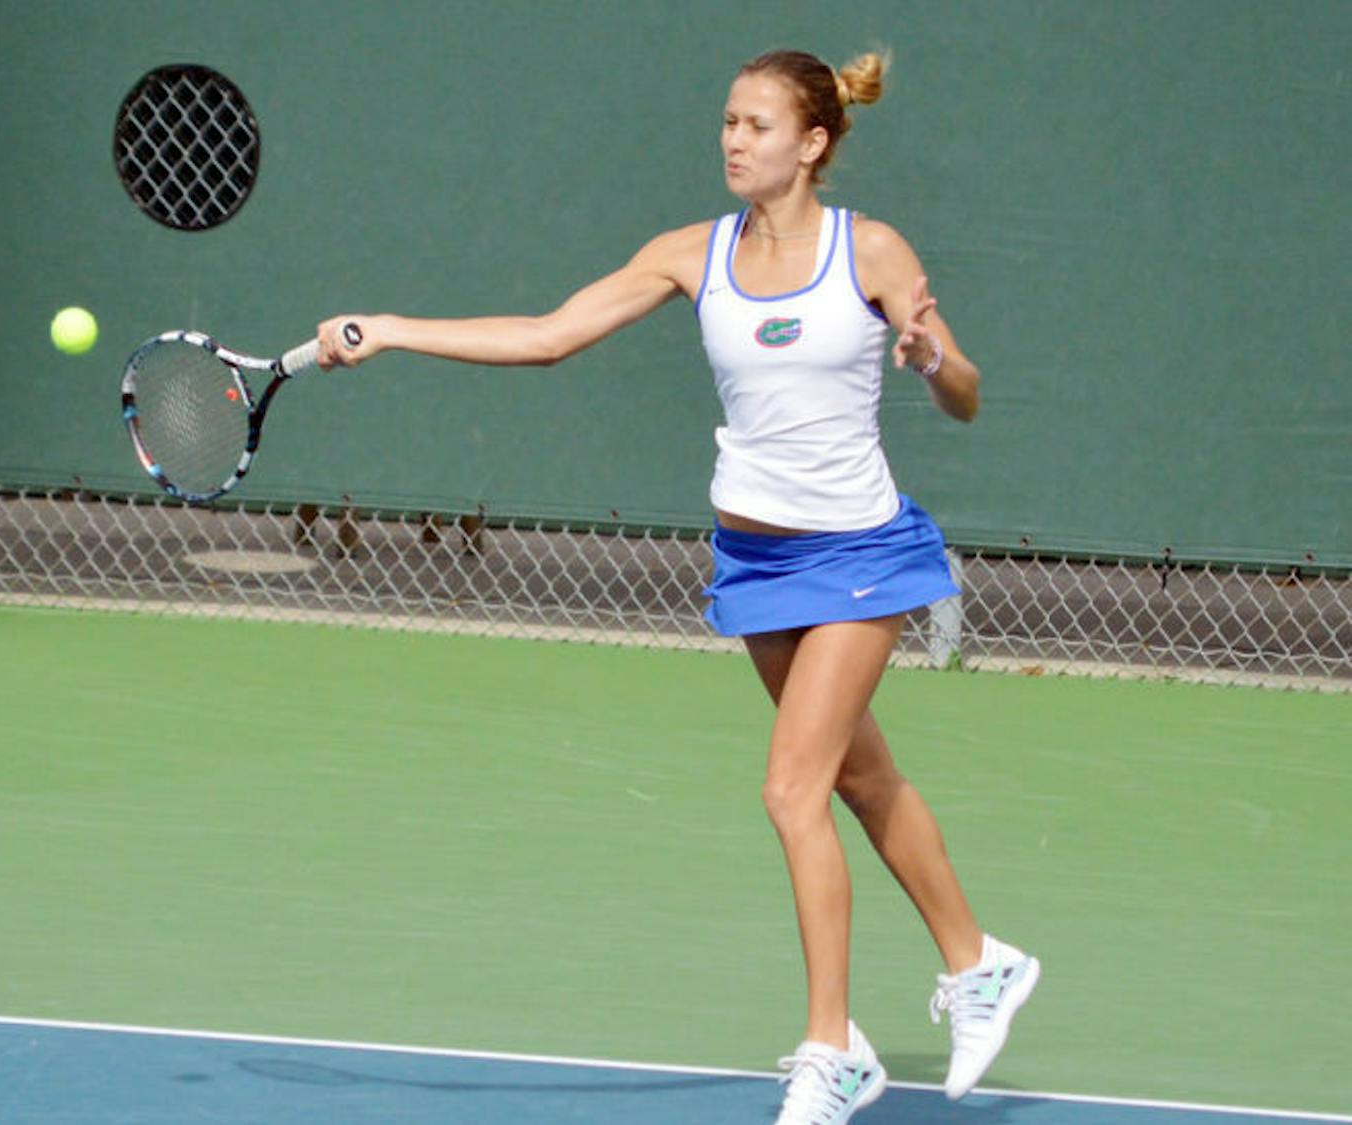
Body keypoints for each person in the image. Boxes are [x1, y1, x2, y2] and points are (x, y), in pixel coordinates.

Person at [315, 47, 1039, 1125]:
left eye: (755, 125)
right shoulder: (690, 255)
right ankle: (979, 964)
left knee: (791, 788)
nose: (732, 140)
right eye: (727, 122)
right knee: (857, 781)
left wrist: (931, 355)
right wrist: (395, 331)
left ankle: (831, 1050)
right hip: (754, 563)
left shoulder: (872, 250)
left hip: (858, 554)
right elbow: (550, 337)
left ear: (813, 143)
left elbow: (968, 396)